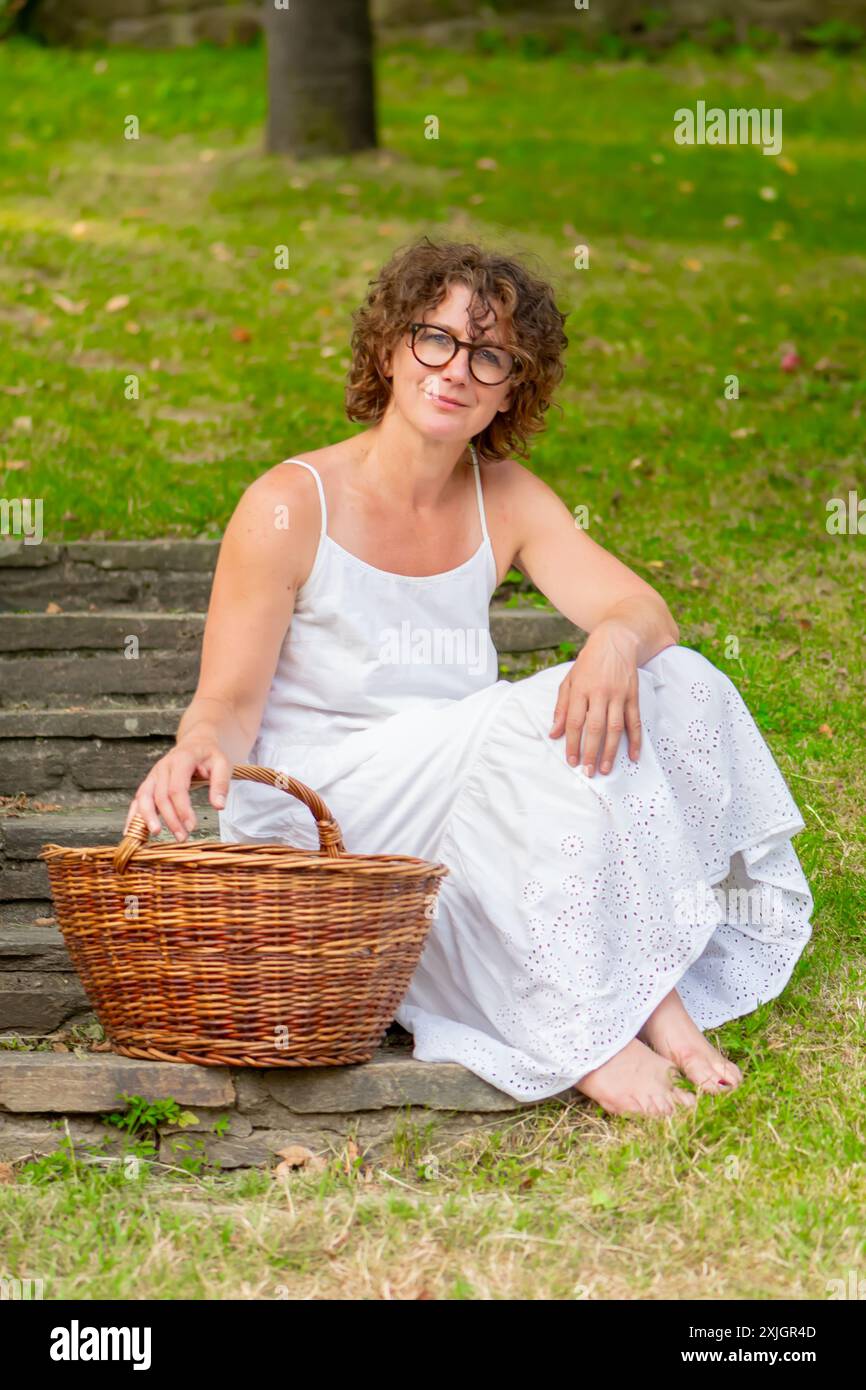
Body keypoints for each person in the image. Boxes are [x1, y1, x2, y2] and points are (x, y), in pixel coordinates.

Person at [124, 236, 814, 1118]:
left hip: (479, 777)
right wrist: (194, 748)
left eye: (490, 356)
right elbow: (228, 702)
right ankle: (609, 1030)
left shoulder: (508, 497)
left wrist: (610, 643)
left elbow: (647, 615)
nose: (457, 369)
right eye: (436, 338)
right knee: (522, 722)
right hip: (326, 803)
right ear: (389, 349)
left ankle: (642, 995)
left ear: (510, 390)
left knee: (673, 680)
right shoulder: (289, 505)